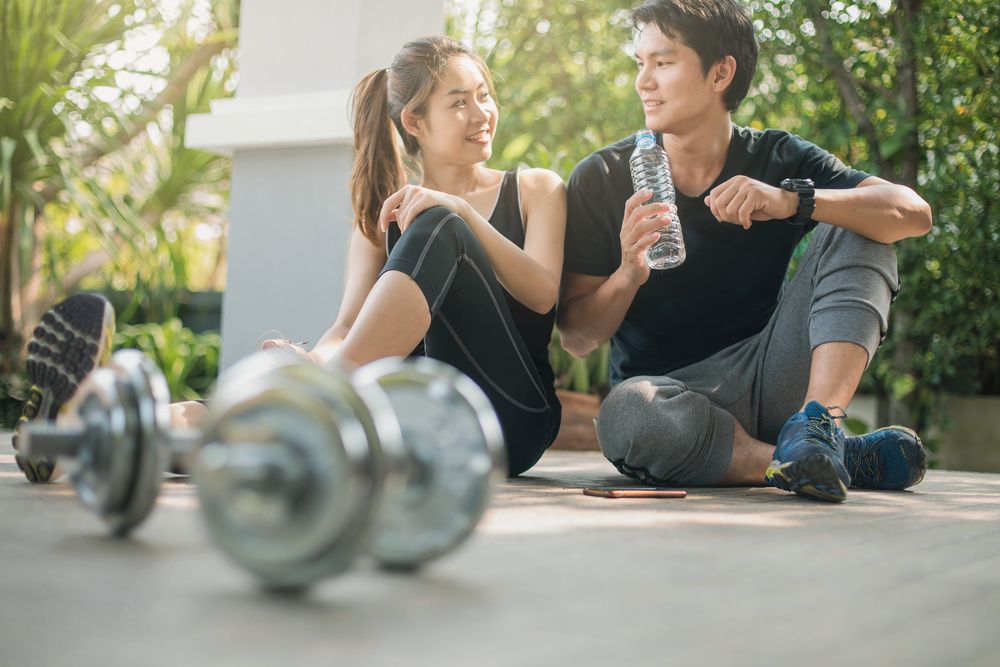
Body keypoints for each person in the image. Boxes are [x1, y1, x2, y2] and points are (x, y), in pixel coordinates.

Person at [12, 35, 566, 483]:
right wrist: (314, 362)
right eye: (460, 101)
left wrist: (459, 211)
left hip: (509, 422)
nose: (482, 112)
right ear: (414, 123)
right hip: (416, 420)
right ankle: (80, 432)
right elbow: (346, 326)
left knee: (439, 224)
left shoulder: (535, 189)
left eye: (484, 94)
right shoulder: (383, 218)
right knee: (245, 418)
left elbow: (542, 292)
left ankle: (318, 404)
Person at [557, 0, 933, 502]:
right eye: (639, 63)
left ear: (721, 73)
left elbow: (912, 212)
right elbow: (577, 338)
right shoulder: (601, 177)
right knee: (624, 414)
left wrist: (792, 200)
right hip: (667, 400)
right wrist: (627, 272)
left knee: (863, 222)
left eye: (662, 63)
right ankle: (803, 460)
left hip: (771, 378)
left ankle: (819, 427)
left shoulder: (777, 158)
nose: (642, 81)